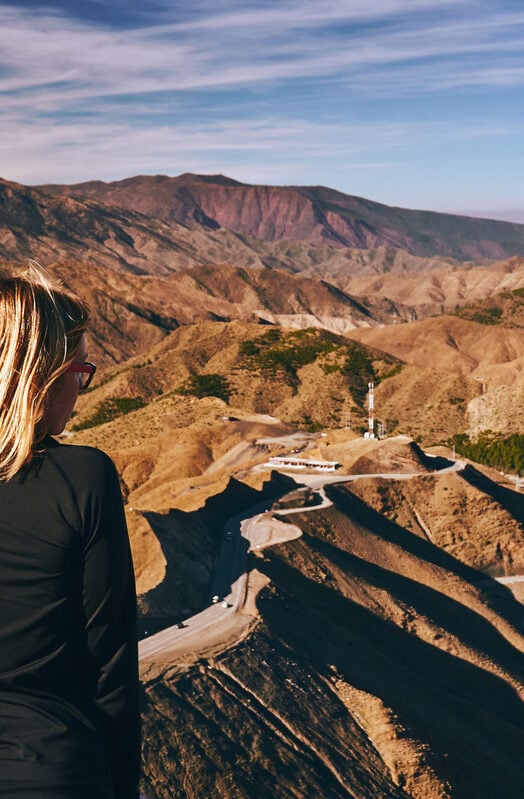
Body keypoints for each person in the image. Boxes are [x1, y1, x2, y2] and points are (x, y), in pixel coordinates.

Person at [0, 266, 140, 798]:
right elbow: (110, 667)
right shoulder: (83, 477)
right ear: (35, 377)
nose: (81, 389)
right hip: (48, 768)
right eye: (79, 372)